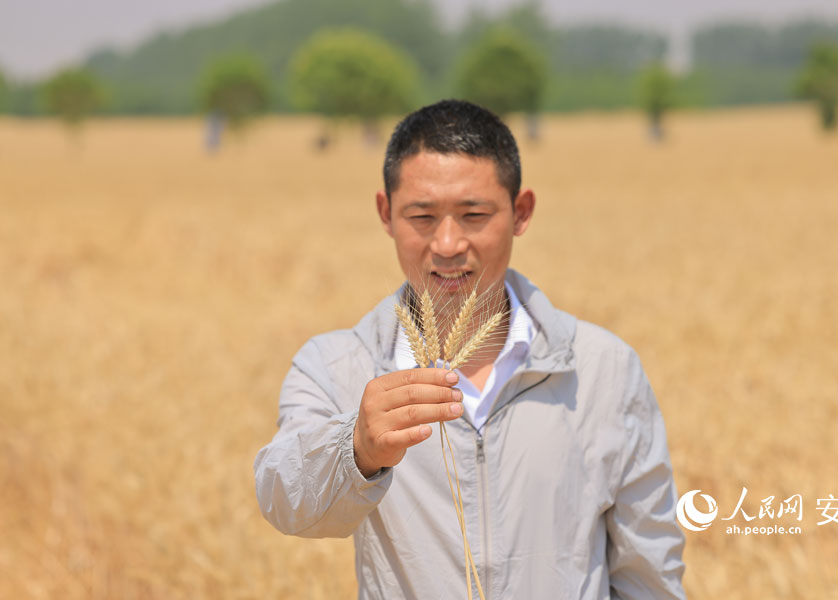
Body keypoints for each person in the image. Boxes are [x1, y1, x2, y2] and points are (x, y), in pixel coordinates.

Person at [254, 99, 686, 599]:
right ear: (385, 213)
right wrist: (356, 448)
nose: (448, 243)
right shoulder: (337, 366)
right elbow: (283, 500)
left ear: (521, 212)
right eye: (422, 215)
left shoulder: (603, 369)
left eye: (474, 214)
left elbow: (648, 571)